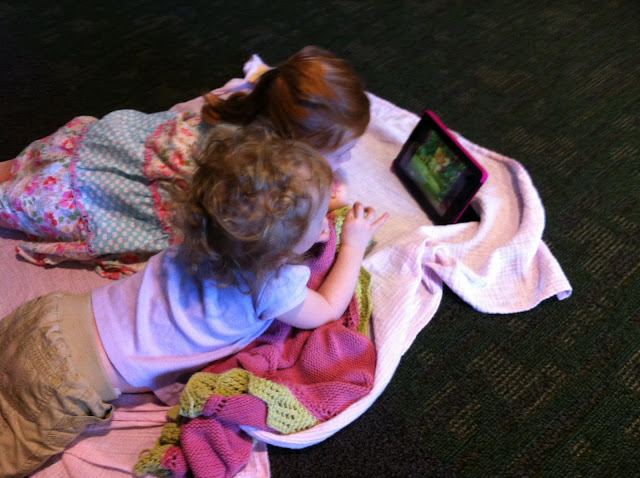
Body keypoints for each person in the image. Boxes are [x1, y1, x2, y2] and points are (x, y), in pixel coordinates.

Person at [0, 125, 388, 477]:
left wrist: (300, 225)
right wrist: (353, 245)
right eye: (320, 220)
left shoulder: (204, 235)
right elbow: (328, 309)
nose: (326, 226)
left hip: (46, 314)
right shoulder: (274, 285)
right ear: (281, 252)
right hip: (68, 381)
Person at [0, 46, 370, 277]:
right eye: (340, 152)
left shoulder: (251, 112)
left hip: (97, 144)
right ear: (289, 148)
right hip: (85, 194)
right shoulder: (243, 178)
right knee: (17, 197)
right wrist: (323, 207)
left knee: (18, 168)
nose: (347, 160)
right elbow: (266, 233)